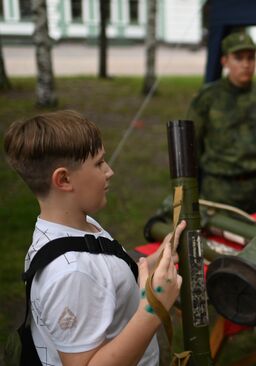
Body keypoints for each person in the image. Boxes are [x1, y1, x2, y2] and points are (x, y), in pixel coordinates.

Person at [4, 110, 185, 365]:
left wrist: (155, 261)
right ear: (64, 179)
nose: (109, 171)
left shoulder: (78, 226)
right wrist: (153, 310)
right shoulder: (71, 275)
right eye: (99, 163)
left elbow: (106, 283)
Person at [186, 32, 256, 213]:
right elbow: (192, 146)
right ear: (225, 61)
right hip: (220, 189)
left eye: (251, 58)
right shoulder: (208, 98)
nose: (246, 65)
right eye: (238, 58)